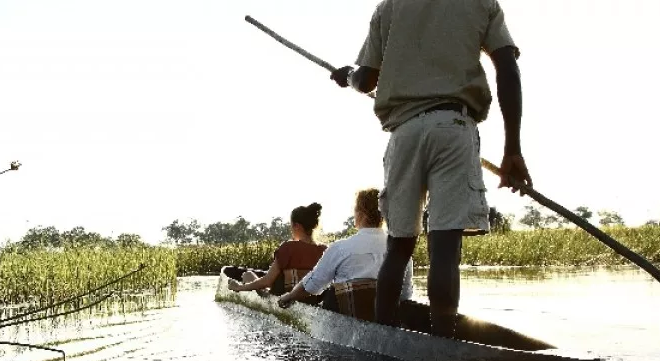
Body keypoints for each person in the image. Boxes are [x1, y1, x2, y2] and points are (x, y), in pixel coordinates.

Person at [327, 0, 533, 337]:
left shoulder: (390, 7)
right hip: (453, 127)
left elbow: (365, 80)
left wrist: (347, 76)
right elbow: (507, 68)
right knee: (445, 247)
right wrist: (512, 148)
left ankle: (384, 340)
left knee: (399, 247)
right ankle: (442, 345)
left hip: (404, 133)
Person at [276, 189, 414, 322]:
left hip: (349, 323)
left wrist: (289, 296)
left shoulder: (341, 248)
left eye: (355, 210)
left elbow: (313, 285)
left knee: (331, 292)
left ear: (361, 214)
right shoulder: (399, 251)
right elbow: (405, 294)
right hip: (386, 323)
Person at [223, 203, 327, 303]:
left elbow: (267, 281)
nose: (291, 229)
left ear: (297, 226)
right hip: (311, 301)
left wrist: (239, 287)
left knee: (247, 275)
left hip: (282, 299)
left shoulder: (288, 247)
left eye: (291, 225)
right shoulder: (325, 250)